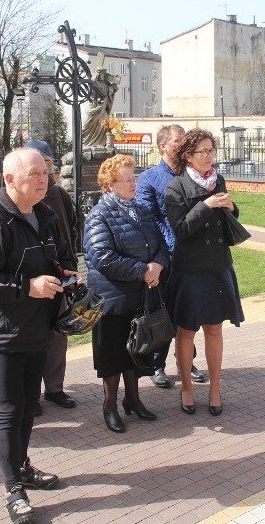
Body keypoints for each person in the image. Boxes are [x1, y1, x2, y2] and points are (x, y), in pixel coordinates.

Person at [0, 149, 80, 523]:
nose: (44, 180)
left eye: (45, 173)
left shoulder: (45, 214)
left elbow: (64, 255)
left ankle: (23, 466)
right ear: (10, 179)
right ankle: (14, 490)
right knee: (10, 411)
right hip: (5, 331)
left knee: (30, 406)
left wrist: (67, 277)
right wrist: (26, 287)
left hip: (40, 327)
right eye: (34, 174)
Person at [84, 154, 168, 433]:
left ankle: (133, 400)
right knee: (111, 355)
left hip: (139, 297)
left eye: (135, 178)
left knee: (136, 349)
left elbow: (160, 245)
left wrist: (157, 265)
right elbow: (100, 256)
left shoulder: (142, 210)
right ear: (110, 184)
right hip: (112, 298)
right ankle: (109, 406)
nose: (134, 183)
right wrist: (142, 270)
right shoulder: (100, 214)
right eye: (128, 179)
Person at [165, 128, 244, 417]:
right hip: (190, 270)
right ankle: (186, 387)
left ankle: (214, 389)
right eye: (204, 152)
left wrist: (232, 207)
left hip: (217, 267)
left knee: (214, 328)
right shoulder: (176, 187)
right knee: (186, 331)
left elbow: (227, 221)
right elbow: (181, 230)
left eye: (212, 151)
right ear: (188, 155)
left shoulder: (218, 180)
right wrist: (206, 204)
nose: (210, 157)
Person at [136, 124, 206, 389]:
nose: (183, 145)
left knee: (190, 313)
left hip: (193, 257)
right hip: (166, 258)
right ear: (163, 145)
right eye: (178, 141)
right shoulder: (150, 178)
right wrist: (164, 252)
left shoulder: (193, 174)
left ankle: (186, 361)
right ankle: (157, 364)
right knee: (162, 312)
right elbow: (147, 221)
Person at [24, 140, 78, 415]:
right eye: (39, 163)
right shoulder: (15, 198)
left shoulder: (58, 194)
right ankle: (30, 393)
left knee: (58, 334)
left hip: (59, 276)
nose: (45, 169)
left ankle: (55, 388)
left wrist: (70, 265)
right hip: (30, 282)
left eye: (47, 162)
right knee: (33, 338)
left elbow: (69, 232)